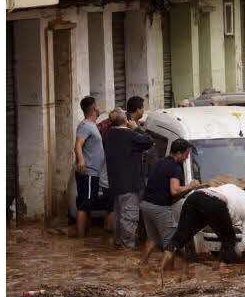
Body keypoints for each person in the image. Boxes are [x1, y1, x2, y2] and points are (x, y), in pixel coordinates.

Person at [159, 183, 245, 273]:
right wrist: (236, 252)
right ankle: (222, 272)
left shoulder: (232, 187)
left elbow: (221, 213)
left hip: (194, 197)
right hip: (215, 203)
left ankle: (162, 271)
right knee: (229, 239)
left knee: (179, 237)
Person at [139, 139, 201, 266]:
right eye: (186, 154)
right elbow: (175, 190)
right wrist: (191, 186)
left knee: (152, 238)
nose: (187, 157)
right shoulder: (175, 167)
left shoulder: (160, 162)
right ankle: (166, 272)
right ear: (178, 153)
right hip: (159, 208)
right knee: (172, 242)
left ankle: (142, 264)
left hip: (146, 204)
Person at [103, 108, 154, 249]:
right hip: (129, 184)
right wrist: (136, 128)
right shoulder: (129, 135)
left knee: (119, 215)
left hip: (115, 183)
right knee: (129, 217)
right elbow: (149, 141)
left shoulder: (108, 134)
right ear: (125, 120)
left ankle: (119, 244)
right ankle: (127, 247)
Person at [74, 96, 113, 237]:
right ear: (94, 108)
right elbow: (78, 144)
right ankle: (80, 239)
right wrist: (81, 160)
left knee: (88, 204)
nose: (99, 107)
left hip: (94, 173)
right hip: (88, 172)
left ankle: (86, 236)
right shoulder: (85, 126)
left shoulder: (92, 125)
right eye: (98, 105)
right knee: (84, 204)